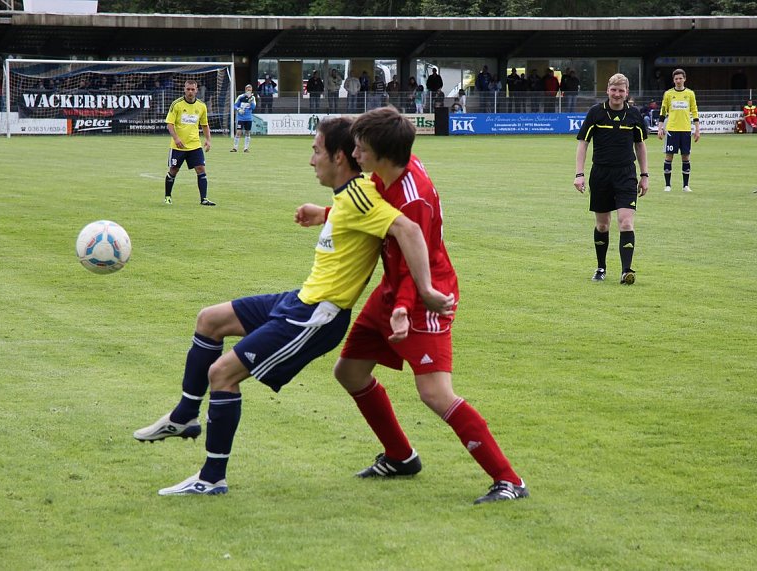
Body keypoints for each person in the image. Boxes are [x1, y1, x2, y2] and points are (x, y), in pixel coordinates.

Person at [135, 116, 454, 496]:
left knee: (222, 375)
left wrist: (425, 290)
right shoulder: (353, 194)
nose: (311, 160)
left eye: (315, 150)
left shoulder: (361, 196)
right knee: (210, 319)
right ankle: (185, 415)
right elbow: (362, 208)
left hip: (318, 315)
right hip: (299, 299)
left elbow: (409, 229)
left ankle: (210, 479)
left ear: (339, 157)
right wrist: (323, 213)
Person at [296, 107, 527, 504]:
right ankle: (401, 457)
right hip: (393, 290)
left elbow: (408, 261)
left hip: (426, 295)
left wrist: (404, 306)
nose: (355, 153)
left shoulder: (412, 198)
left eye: (362, 148)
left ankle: (509, 480)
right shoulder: (392, 172)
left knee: (436, 394)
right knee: (350, 372)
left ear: (382, 154)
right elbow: (375, 216)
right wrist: (327, 214)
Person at [574, 73, 649, 285]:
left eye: (621, 90)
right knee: (603, 225)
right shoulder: (596, 113)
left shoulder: (634, 115)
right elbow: (583, 143)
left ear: (627, 93)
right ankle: (601, 267)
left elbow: (640, 146)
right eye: (614, 90)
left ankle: (627, 271)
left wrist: (644, 175)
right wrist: (579, 174)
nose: (617, 94)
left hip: (626, 174)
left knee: (626, 221)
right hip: (600, 174)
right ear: (607, 90)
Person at [164, 79, 214, 206]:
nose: (190, 92)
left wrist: (208, 140)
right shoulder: (177, 104)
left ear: (196, 90)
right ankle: (168, 197)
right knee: (173, 170)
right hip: (178, 146)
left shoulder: (201, 106)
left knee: (201, 169)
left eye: (193, 89)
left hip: (195, 145)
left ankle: (204, 199)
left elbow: (205, 124)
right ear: (184, 89)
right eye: (188, 89)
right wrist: (176, 138)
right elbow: (170, 124)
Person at [657, 68, 700, 193]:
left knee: (685, 157)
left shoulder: (690, 94)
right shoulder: (668, 94)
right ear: (673, 80)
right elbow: (663, 112)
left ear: (685, 79)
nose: (678, 81)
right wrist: (660, 128)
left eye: (680, 78)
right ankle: (668, 185)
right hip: (671, 129)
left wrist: (697, 129)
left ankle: (686, 185)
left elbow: (694, 111)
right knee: (669, 156)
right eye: (676, 79)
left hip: (686, 129)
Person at [231, 84, 256, 153]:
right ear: (245, 90)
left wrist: (251, 102)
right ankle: (235, 148)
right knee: (238, 132)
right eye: (248, 90)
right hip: (241, 118)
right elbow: (235, 105)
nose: (249, 91)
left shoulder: (253, 98)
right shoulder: (240, 97)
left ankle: (246, 148)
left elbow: (253, 107)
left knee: (247, 132)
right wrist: (239, 109)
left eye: (250, 90)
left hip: (248, 118)